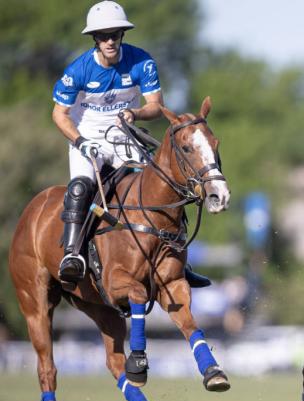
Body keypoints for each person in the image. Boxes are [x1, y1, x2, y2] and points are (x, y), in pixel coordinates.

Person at [53, 1, 210, 287]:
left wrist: (133, 113)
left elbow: (155, 106)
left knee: (161, 184)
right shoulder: (79, 70)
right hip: (87, 139)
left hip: (124, 136)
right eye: (103, 36)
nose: (110, 40)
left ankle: (179, 260)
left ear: (122, 35)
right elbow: (59, 114)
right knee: (80, 187)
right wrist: (80, 141)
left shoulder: (142, 62)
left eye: (115, 34)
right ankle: (72, 254)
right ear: (95, 39)